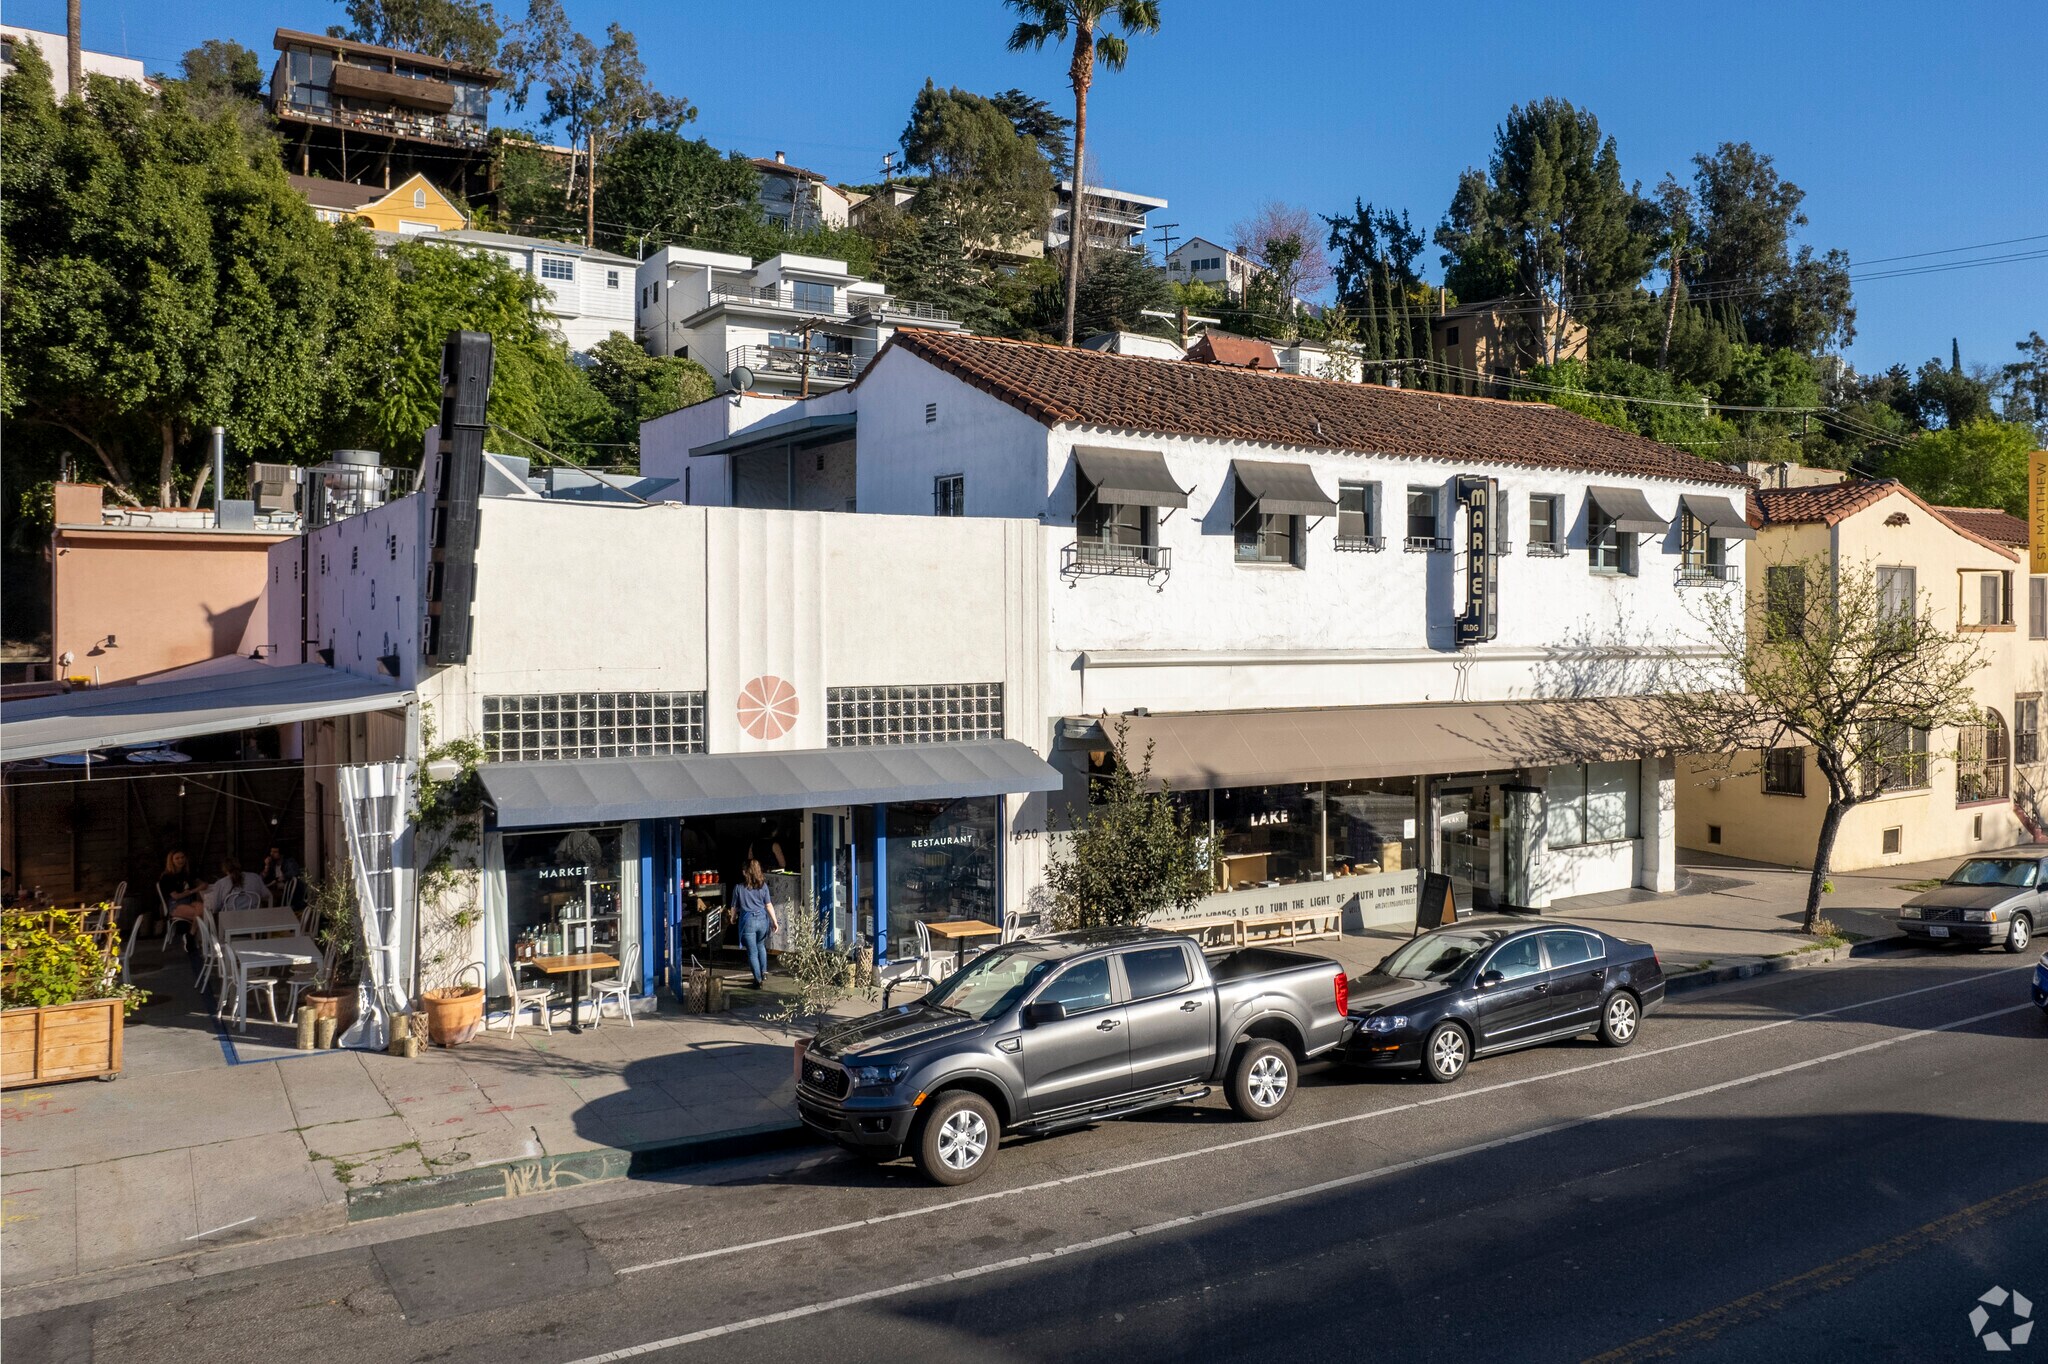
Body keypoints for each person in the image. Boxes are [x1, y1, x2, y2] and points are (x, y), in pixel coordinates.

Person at [733, 858, 780, 989]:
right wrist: (774, 921)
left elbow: (734, 908)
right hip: (762, 920)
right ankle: (764, 973)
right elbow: (768, 905)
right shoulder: (763, 886)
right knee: (761, 946)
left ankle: (757, 980)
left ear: (745, 872)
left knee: (752, 953)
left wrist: (732, 918)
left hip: (748, 921)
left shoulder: (738, 888)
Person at [158, 851, 205, 923]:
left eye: (182, 857)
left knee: (205, 910)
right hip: (176, 904)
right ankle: (192, 933)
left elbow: (200, 883)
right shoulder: (167, 877)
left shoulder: (186, 873)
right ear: (171, 861)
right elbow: (176, 896)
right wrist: (194, 891)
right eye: (177, 858)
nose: (181, 860)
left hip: (189, 901)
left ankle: (192, 933)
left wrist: (201, 884)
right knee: (199, 914)